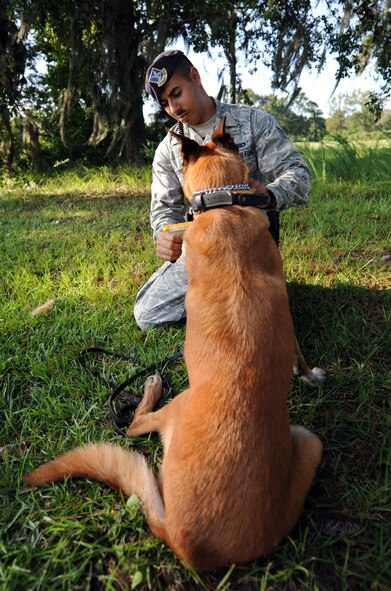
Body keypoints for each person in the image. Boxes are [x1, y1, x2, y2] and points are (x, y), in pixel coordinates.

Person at [134, 49, 311, 330]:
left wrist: (270, 194)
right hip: (204, 247)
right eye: (165, 103)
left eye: (176, 93)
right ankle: (227, 303)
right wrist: (165, 235)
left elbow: (299, 174)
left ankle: (247, 296)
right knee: (148, 313)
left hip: (251, 243)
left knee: (251, 312)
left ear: (195, 76)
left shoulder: (253, 122)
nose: (174, 108)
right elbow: (164, 209)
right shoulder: (169, 149)